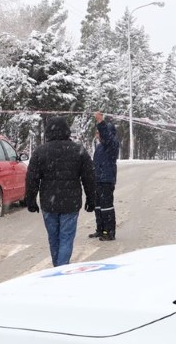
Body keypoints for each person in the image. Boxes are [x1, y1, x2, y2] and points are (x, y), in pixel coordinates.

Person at [25, 115, 95, 267]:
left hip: (49, 202)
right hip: (71, 202)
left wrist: (30, 199)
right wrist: (91, 198)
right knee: (66, 238)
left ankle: (57, 267)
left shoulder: (40, 152)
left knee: (53, 237)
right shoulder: (78, 150)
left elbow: (32, 178)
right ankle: (62, 268)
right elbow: (89, 177)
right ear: (67, 131)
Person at [88, 111, 121, 241]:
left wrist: (100, 122)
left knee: (106, 207)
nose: (97, 134)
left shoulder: (112, 144)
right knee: (98, 206)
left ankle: (109, 232)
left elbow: (106, 136)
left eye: (99, 132)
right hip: (98, 179)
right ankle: (100, 229)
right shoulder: (100, 147)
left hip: (106, 180)